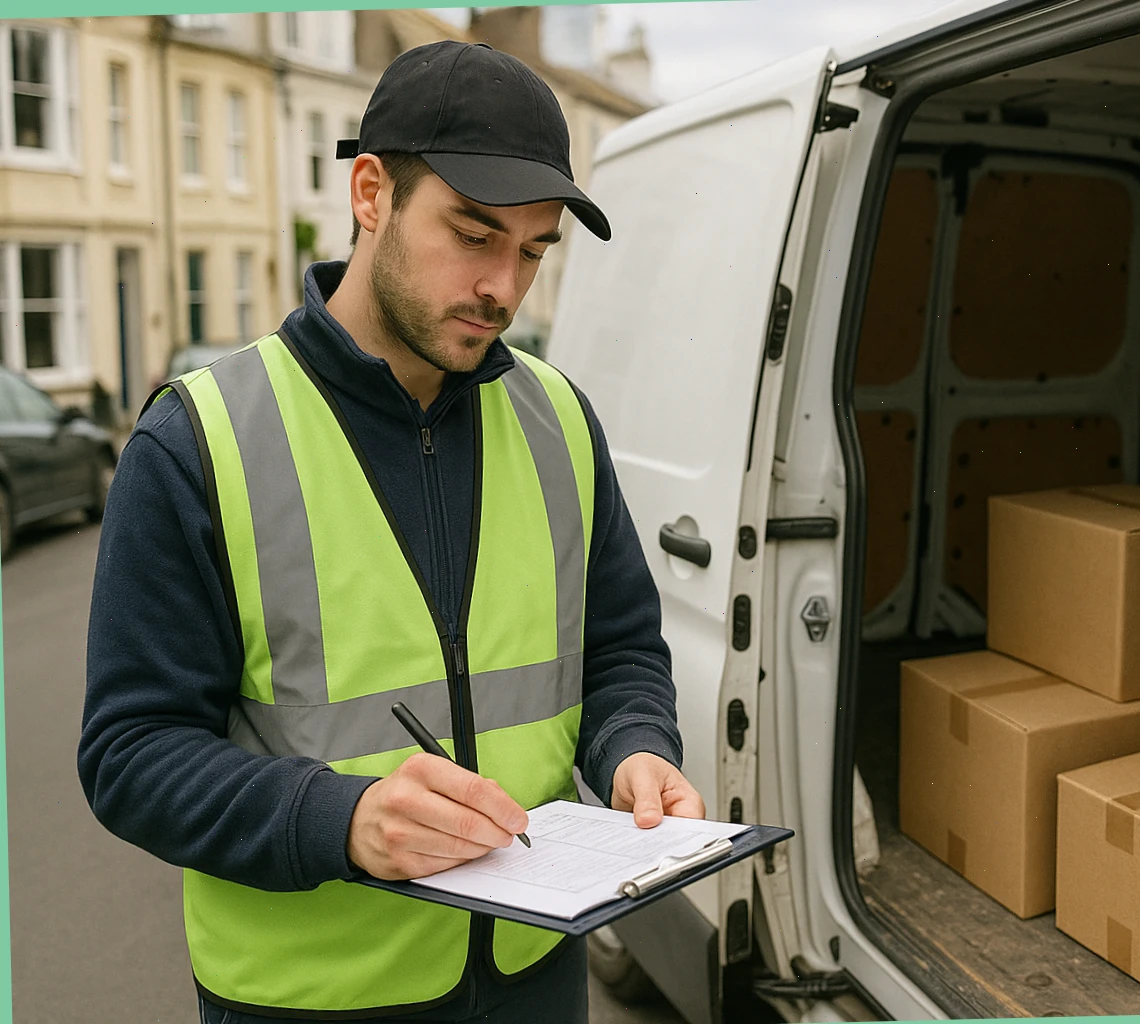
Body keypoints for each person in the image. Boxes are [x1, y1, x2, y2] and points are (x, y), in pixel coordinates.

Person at [78, 40, 704, 1024]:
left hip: (535, 982)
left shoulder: (558, 417)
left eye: (534, 250)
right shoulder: (195, 439)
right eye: (474, 233)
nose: (505, 284)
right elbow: (130, 752)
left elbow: (620, 646)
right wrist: (342, 818)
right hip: (310, 1000)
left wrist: (637, 745)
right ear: (371, 193)